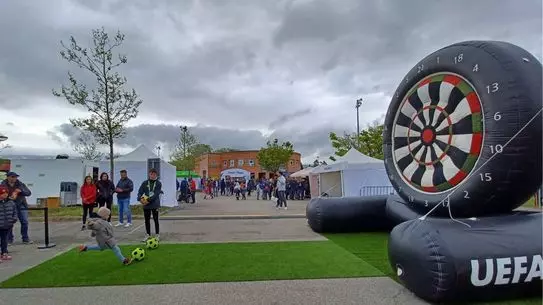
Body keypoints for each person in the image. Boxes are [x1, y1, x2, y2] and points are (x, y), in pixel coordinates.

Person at [1, 172, 32, 244]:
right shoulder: (3, 184)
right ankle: (9, 239)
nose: (14, 178)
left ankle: (25, 238)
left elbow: (28, 193)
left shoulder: (20, 184)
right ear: (8, 177)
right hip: (9, 205)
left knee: (24, 221)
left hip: (21, 204)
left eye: (15, 177)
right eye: (12, 177)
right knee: (9, 222)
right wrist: (8, 196)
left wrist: (20, 191)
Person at [138, 168, 162, 242]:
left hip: (154, 204)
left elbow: (156, 194)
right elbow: (140, 192)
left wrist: (147, 200)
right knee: (146, 220)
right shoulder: (145, 183)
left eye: (154, 174)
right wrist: (140, 198)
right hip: (146, 205)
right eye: (151, 174)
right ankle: (148, 234)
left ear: (156, 175)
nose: (152, 175)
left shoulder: (158, 183)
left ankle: (157, 234)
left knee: (155, 219)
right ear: (149, 174)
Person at [0, 185, 17, 262]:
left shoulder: (11, 202)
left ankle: (4, 253)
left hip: (7, 225)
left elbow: (14, 212)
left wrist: (13, 219)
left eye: (6, 193)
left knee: (4, 240)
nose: (5, 194)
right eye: (3, 193)